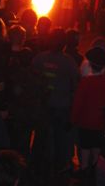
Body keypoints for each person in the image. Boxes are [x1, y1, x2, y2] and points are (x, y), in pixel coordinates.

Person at [32, 28, 79, 174]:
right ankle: (59, 166)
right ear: (64, 44)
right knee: (60, 138)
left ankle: (37, 165)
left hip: (43, 105)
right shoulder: (69, 62)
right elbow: (76, 83)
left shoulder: (39, 58)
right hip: (62, 106)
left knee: (41, 135)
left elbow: (32, 79)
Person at [71, 46, 105, 177]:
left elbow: (78, 103)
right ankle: (95, 168)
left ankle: (84, 169)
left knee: (85, 146)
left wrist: (73, 119)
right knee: (96, 146)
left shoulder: (85, 82)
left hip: (85, 121)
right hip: (100, 121)